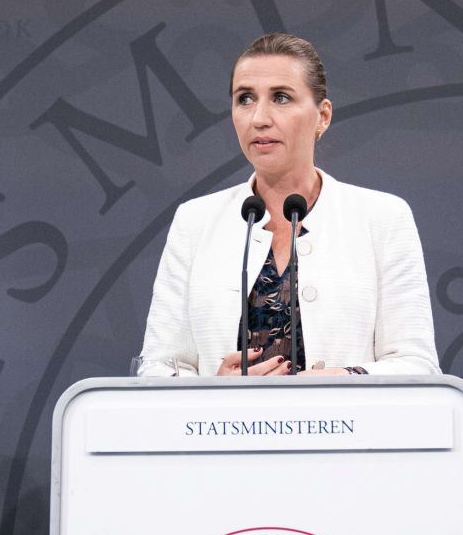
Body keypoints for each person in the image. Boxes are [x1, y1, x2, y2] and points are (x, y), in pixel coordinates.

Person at [137, 33, 438, 376]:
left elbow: (418, 365)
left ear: (323, 116)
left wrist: (345, 379)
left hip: (346, 413)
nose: (259, 118)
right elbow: (158, 367)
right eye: (245, 99)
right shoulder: (195, 221)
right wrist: (214, 391)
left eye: (281, 98)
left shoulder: (382, 218)